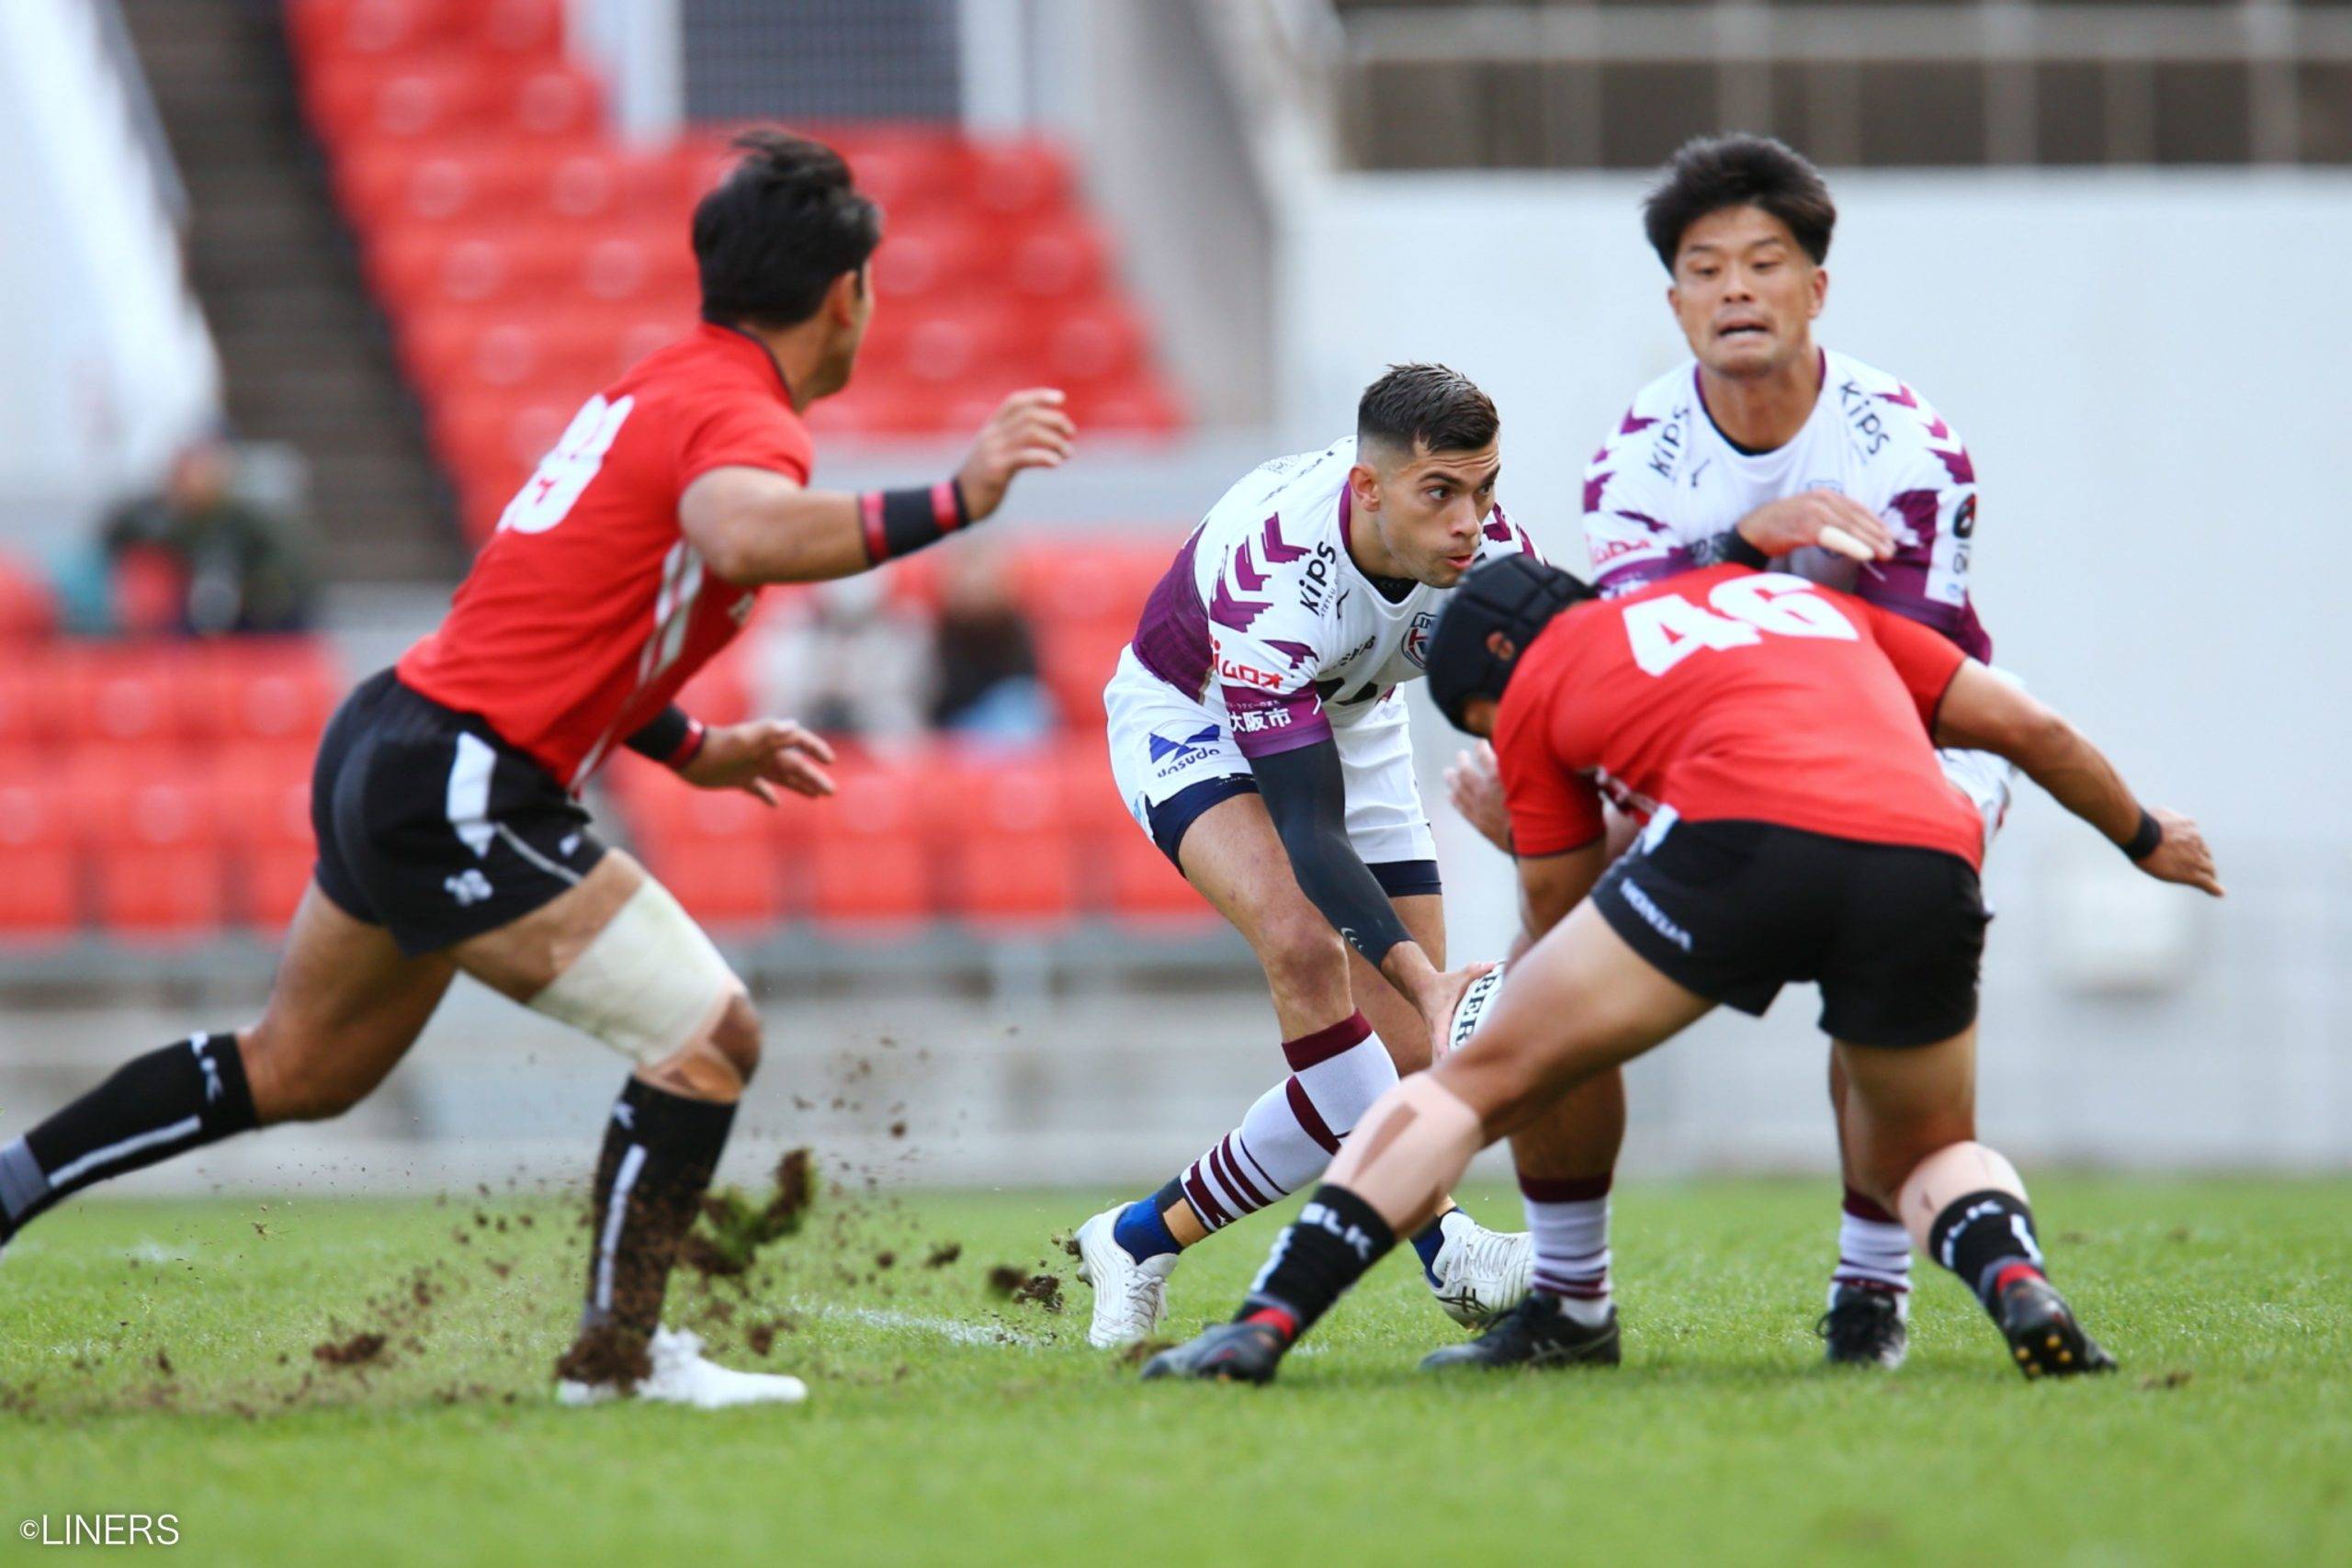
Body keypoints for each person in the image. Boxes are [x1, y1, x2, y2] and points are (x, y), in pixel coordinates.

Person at [0, 130, 1075, 1408]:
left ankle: (10, 1182)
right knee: (708, 1035)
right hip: (461, 776)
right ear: (847, 297)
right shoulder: (737, 418)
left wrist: (692, 745)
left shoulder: (661, 386)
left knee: (298, 1068)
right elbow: (739, 532)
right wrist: (955, 500)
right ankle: (615, 1362)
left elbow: (569, 619)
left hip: (398, 738)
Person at [1142, 554, 2221, 1385]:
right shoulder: (1797, 603)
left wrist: (1516, 882)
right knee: (1925, 1150)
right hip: (1926, 854)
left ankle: (1263, 1323)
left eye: (1483, 724)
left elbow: (1558, 917)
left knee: (1476, 1082)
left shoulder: (1543, 678)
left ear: (1500, 665)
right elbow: (2027, 725)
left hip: (1740, 846)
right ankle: (2016, 1280)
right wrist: (2141, 836)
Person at [1448, 133, 2000, 1367]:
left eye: (1764, 260)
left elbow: (1904, 676)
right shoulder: (1638, 448)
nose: (1736, 288)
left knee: (1875, 982)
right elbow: (1633, 652)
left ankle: (1871, 1293)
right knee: (1542, 972)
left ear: (1817, 286)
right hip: (1708, 760)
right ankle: (1570, 1304)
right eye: (1706, 267)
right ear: (1676, 301)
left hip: (1908, 748)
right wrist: (1748, 543)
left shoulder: (1908, 446)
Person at [1071, 365, 1536, 1349]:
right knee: (1301, 943)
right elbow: (1310, 834)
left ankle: (1138, 1236)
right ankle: (1448, 1246)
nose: (1470, 522)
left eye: (1484, 488)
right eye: (1440, 493)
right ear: (1367, 490)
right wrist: (1428, 980)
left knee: (1400, 1060)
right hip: (1192, 713)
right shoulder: (1273, 582)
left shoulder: (1496, 556)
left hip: (1353, 715)